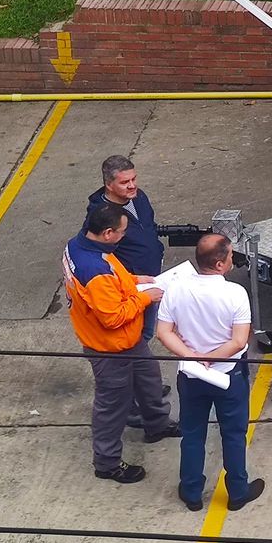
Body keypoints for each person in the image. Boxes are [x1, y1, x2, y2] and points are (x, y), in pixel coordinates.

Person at [65, 202, 177, 484]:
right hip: (110, 347)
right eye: (122, 232)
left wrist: (132, 280)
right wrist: (144, 297)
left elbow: (112, 277)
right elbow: (112, 317)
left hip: (129, 341)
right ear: (107, 233)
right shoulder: (95, 270)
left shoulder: (82, 247)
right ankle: (107, 462)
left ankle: (157, 424)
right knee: (112, 405)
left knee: (149, 379)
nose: (124, 237)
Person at [154, 233, 265, 513]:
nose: (232, 260)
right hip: (229, 376)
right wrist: (210, 358)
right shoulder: (235, 294)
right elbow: (239, 341)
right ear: (219, 264)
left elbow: (163, 332)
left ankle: (191, 491)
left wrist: (193, 357)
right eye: (229, 256)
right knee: (233, 434)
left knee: (192, 434)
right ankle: (238, 491)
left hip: (191, 377)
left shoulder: (177, 289)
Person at [90, 155, 167, 428]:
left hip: (151, 279)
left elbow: (149, 228)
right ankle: (137, 399)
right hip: (130, 288)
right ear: (109, 185)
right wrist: (132, 283)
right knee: (135, 341)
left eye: (134, 179)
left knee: (144, 336)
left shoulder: (139, 198)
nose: (132, 186)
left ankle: (145, 391)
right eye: (125, 182)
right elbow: (104, 256)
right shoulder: (101, 216)